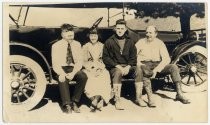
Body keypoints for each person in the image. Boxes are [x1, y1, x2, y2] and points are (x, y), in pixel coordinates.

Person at [135, 25, 190, 105]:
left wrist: (156, 70)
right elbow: (133, 55)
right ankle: (150, 98)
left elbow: (166, 59)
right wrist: (139, 64)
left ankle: (179, 94)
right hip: (144, 64)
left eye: (150, 33)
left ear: (155, 34)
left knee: (173, 67)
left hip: (157, 65)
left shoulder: (160, 43)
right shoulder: (141, 42)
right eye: (146, 32)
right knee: (145, 71)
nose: (148, 34)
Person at [102, 19, 141, 110]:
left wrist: (128, 66)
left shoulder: (130, 41)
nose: (120, 30)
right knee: (118, 72)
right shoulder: (109, 41)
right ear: (115, 29)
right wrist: (117, 65)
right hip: (115, 67)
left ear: (125, 29)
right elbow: (106, 58)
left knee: (139, 70)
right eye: (118, 28)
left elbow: (133, 57)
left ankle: (139, 98)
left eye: (122, 28)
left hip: (128, 67)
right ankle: (117, 100)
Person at [51, 24, 88, 113]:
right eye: (69, 36)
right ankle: (67, 104)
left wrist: (73, 73)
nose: (71, 38)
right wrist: (61, 73)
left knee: (83, 77)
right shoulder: (56, 46)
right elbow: (55, 63)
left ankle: (75, 102)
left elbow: (79, 62)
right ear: (62, 35)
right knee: (62, 79)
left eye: (72, 35)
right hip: (61, 68)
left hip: (73, 68)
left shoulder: (77, 44)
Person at [82, 28, 111, 112]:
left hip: (100, 67)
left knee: (104, 75)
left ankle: (96, 100)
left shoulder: (102, 46)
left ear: (98, 36)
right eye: (91, 35)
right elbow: (82, 61)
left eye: (95, 35)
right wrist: (90, 68)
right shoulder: (85, 46)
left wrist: (100, 68)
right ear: (89, 36)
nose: (93, 37)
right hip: (89, 68)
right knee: (90, 77)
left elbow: (105, 59)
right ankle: (95, 100)